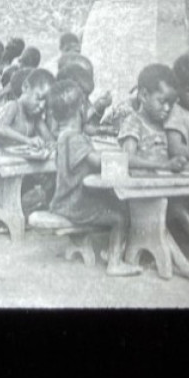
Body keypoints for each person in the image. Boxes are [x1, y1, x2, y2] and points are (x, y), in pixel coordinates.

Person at [118, 64, 189, 284]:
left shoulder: (163, 125)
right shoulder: (133, 122)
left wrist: (178, 165)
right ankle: (184, 266)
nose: (166, 108)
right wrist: (166, 166)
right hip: (141, 193)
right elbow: (126, 159)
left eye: (170, 104)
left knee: (177, 209)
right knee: (158, 223)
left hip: (161, 188)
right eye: (162, 101)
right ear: (144, 95)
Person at [46, 78, 141, 278]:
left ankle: (112, 252)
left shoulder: (64, 136)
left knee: (116, 204)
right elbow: (98, 162)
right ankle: (115, 262)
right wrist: (129, 160)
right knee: (120, 216)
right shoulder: (75, 138)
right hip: (73, 203)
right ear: (82, 109)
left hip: (65, 200)